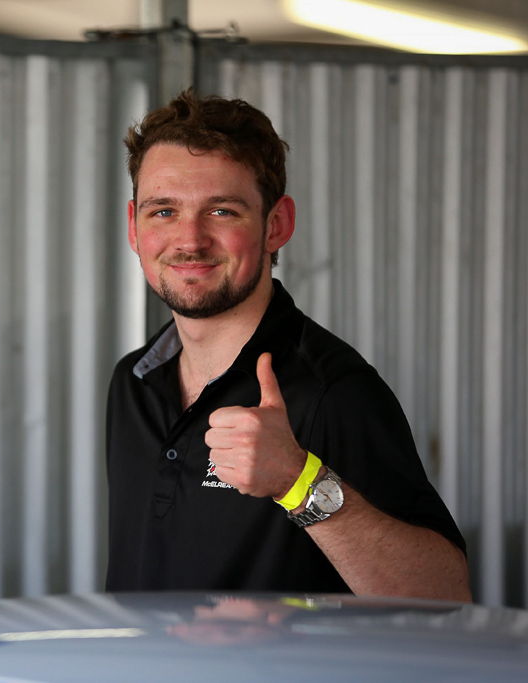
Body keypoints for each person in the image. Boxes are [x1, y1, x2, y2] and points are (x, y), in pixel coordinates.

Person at [105, 90, 471, 601]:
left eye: (222, 211)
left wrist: (299, 480)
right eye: (163, 211)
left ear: (276, 225)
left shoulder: (332, 391)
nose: (189, 239)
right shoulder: (134, 382)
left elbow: (445, 596)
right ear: (133, 227)